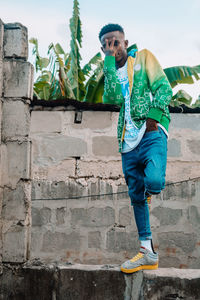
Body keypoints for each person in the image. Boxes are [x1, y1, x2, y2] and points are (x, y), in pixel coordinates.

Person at [99, 23, 172, 273]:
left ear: (125, 43)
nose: (113, 47)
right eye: (107, 44)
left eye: (116, 42)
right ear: (103, 48)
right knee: (136, 199)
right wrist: (108, 62)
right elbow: (111, 98)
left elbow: (164, 88)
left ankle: (149, 190)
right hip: (127, 144)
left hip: (151, 134)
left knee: (153, 182)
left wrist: (153, 118)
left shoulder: (143, 58)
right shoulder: (109, 69)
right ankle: (147, 252)